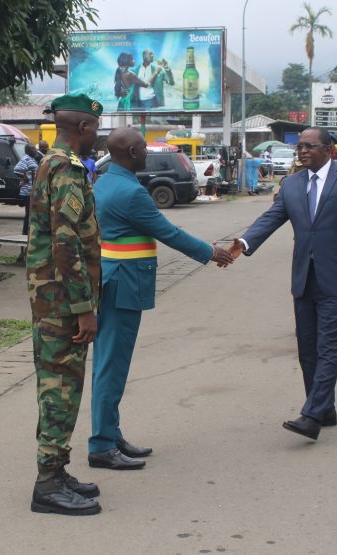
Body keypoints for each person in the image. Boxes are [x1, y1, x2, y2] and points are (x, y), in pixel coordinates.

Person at [88, 127, 233, 470]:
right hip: (123, 284)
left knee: (107, 363)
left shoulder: (105, 182)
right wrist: (211, 252)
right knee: (112, 366)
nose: (146, 153)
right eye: (143, 148)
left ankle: (110, 434)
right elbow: (169, 233)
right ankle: (102, 445)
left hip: (112, 280)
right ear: (132, 153)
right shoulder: (131, 192)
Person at [227, 127, 337, 441]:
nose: (303, 151)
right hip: (304, 277)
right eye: (300, 147)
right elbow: (272, 217)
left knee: (329, 347)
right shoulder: (293, 184)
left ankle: (311, 416)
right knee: (307, 349)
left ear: (328, 149)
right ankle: (325, 409)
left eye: (309, 146)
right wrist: (243, 243)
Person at [26, 93, 103, 516]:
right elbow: (66, 240)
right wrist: (83, 308)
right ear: (83, 127)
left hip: (50, 297)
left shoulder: (50, 162)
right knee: (60, 388)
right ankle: (48, 484)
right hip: (61, 302)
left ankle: (56, 470)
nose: (97, 136)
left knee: (57, 385)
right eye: (95, 129)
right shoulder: (67, 167)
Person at [13, 143, 38, 236]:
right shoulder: (26, 159)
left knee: (31, 212)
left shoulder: (32, 159)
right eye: (33, 149)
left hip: (32, 190)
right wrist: (24, 178)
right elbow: (17, 169)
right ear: (28, 151)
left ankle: (28, 231)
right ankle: (25, 232)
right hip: (27, 191)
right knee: (29, 212)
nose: (35, 151)